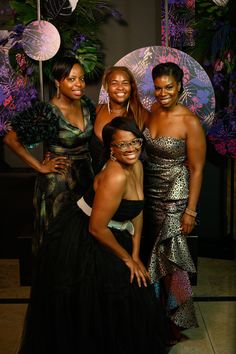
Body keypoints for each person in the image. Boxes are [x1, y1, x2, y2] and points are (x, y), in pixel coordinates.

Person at [18, 116, 169, 354]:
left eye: (135, 142)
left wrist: (136, 253)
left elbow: (138, 213)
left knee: (136, 279)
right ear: (112, 149)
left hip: (115, 231)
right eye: (122, 144)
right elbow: (97, 228)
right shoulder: (115, 176)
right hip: (88, 232)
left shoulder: (138, 165)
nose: (130, 149)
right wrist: (127, 259)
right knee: (111, 290)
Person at [3, 56, 95, 254]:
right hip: (58, 186)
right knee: (58, 243)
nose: (79, 84)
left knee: (82, 241)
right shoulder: (47, 111)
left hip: (85, 180)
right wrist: (39, 166)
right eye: (71, 79)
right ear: (57, 82)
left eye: (82, 78)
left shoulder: (86, 105)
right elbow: (11, 139)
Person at [142, 62, 206, 344]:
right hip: (149, 188)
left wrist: (190, 210)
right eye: (158, 87)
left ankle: (175, 321)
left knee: (170, 257)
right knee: (152, 256)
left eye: (168, 87)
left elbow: (197, 168)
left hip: (175, 192)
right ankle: (155, 316)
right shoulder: (152, 111)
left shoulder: (189, 121)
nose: (162, 92)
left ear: (179, 86)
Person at [90, 65, 149, 174]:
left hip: (127, 182)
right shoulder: (96, 110)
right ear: (106, 87)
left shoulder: (142, 115)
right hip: (97, 181)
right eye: (114, 83)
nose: (120, 87)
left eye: (125, 83)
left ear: (131, 87)